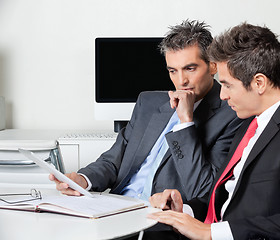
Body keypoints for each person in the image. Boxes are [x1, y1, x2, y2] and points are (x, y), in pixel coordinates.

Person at [148, 23, 280, 240]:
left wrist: (210, 233)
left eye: (227, 85)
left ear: (259, 82)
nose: (222, 96)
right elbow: (229, 196)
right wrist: (185, 210)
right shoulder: (250, 119)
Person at [49, 20, 242, 202]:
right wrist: (83, 179)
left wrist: (186, 122)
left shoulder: (233, 115)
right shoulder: (148, 103)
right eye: (173, 71)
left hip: (162, 218)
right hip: (118, 205)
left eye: (190, 68)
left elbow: (204, 189)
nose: (181, 81)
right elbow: (115, 160)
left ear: (212, 66)